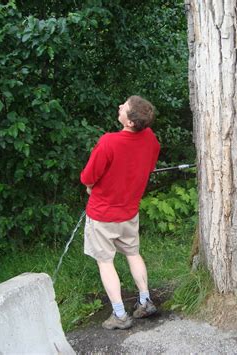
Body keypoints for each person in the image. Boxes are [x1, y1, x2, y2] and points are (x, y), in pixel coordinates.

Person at [80, 95, 160, 330]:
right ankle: (145, 302)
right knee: (133, 253)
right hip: (129, 212)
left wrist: (89, 186)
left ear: (130, 122)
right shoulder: (150, 139)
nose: (119, 107)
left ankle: (119, 315)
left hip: (102, 216)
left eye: (124, 108)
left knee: (105, 262)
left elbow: (87, 177)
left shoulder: (109, 142)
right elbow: (147, 165)